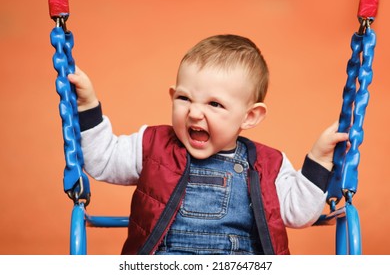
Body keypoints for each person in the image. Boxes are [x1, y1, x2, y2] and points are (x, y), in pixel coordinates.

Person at [68, 34, 348, 255]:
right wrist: (88, 106)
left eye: (214, 104)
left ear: (250, 116)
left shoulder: (267, 165)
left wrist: (319, 158)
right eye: (185, 98)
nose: (194, 112)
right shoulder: (151, 146)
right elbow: (102, 159)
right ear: (172, 95)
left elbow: (299, 213)